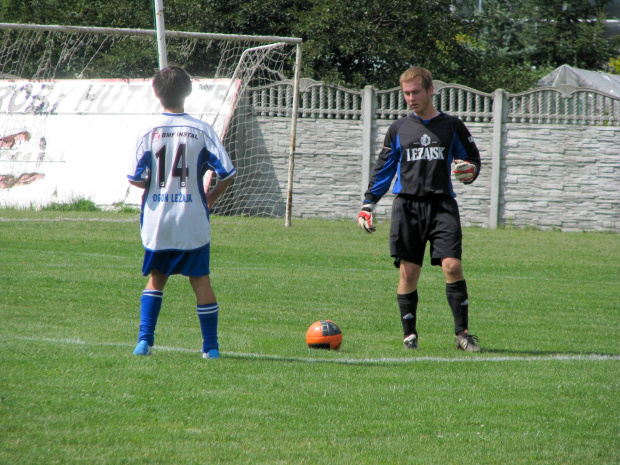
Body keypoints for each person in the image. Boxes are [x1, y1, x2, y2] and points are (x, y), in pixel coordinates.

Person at [357, 66, 482, 352]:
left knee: (453, 265)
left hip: (442, 206)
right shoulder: (398, 129)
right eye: (406, 93)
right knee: (408, 273)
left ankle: (462, 334)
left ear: (430, 90)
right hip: (407, 207)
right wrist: (368, 204)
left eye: (415, 92)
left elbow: (472, 161)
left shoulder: (452, 126)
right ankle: (409, 336)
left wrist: (469, 170)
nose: (411, 98)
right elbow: (383, 170)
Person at [127, 65, 235, 359]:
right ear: (188, 92)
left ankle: (144, 342)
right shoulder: (202, 130)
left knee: (156, 277)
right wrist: (210, 196)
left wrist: (155, 186)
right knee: (200, 279)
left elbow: (134, 177)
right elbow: (227, 173)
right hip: (191, 218)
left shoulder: (148, 131)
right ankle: (210, 348)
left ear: (156, 93)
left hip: (158, 219)